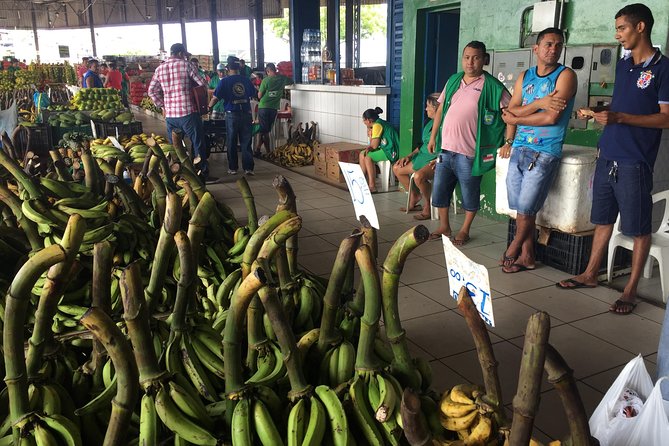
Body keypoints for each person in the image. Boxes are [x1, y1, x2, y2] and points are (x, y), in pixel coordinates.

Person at [557, 4, 669, 315]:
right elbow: (621, 109)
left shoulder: (663, 68)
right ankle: (590, 273)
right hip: (608, 154)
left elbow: (665, 119)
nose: (617, 34)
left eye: (622, 28)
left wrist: (620, 118)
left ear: (641, 27)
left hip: (635, 161)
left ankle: (631, 289)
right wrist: (602, 115)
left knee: (638, 227)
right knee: (602, 219)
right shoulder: (623, 66)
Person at [499, 28, 577, 272]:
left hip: (545, 151)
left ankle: (514, 249)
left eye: (558, 45)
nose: (553, 49)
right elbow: (508, 111)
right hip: (520, 148)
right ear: (536, 49)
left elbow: (551, 119)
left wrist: (517, 116)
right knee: (521, 208)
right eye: (548, 44)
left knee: (526, 209)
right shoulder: (525, 76)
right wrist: (539, 104)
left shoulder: (565, 76)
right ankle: (528, 256)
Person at [427, 41, 514, 244]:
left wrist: (508, 141)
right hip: (446, 149)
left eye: (476, 58)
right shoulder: (454, 80)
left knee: (469, 192)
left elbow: (510, 114)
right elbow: (439, 110)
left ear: (484, 60)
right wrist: (433, 137)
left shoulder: (493, 87)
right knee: (440, 189)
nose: (470, 62)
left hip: (470, 153)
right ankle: (444, 226)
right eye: (467, 57)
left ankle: (465, 229)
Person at [148, 43, 210, 181]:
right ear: (182, 53)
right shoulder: (186, 65)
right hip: (188, 112)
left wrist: (163, 105)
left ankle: (178, 175)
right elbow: (202, 83)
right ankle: (201, 174)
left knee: (176, 148)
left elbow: (151, 91)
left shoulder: (160, 69)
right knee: (197, 143)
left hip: (170, 116)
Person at [393, 93, 441, 220]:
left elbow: (450, 147)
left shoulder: (446, 125)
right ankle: (414, 195)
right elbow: (423, 144)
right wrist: (409, 155)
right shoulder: (430, 123)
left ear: (436, 108)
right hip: (421, 157)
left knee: (419, 177)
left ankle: (428, 205)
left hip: (436, 160)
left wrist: (438, 159)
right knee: (397, 168)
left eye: (428, 106)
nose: (426, 109)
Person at [208, 59, 257, 175]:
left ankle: (233, 168)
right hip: (246, 114)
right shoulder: (246, 80)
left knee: (231, 141)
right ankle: (248, 168)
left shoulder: (224, 81)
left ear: (228, 70)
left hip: (232, 115)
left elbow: (215, 98)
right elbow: (253, 93)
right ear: (238, 69)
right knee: (246, 141)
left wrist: (208, 107)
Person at [254, 63, 292, 156]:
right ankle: (259, 149)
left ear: (268, 71)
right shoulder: (282, 79)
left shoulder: (266, 80)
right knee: (266, 130)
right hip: (274, 109)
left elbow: (259, 95)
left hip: (263, 107)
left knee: (264, 131)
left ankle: (268, 152)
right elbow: (291, 81)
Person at [360, 107, 400, 193]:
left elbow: (374, 145)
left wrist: (370, 136)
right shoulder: (378, 123)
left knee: (368, 157)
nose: (363, 122)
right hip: (385, 148)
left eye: (364, 120)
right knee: (362, 154)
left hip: (391, 150)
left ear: (369, 120)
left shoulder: (377, 125)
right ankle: (362, 181)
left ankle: (372, 186)